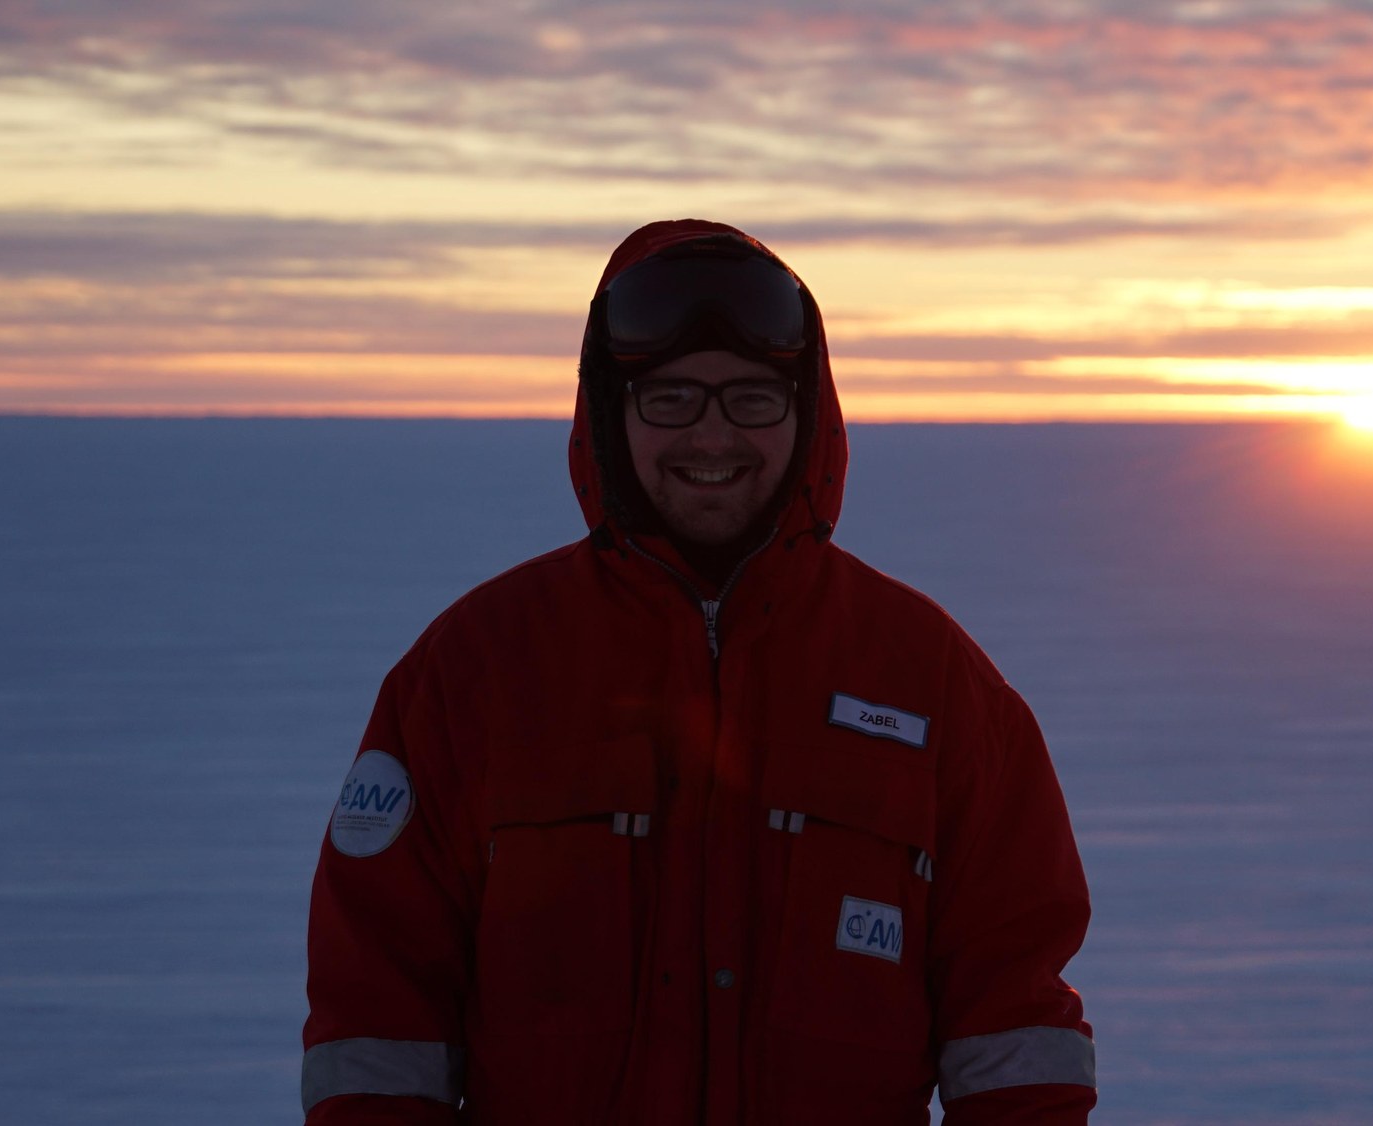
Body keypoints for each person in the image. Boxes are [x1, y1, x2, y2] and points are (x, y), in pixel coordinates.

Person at [301, 219, 1096, 1125]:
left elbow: (1017, 1040)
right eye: (670, 399)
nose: (712, 436)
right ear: (610, 413)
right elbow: (376, 1028)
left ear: (807, 416)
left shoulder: (936, 684)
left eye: (752, 399)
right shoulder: (468, 675)